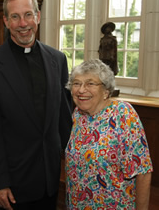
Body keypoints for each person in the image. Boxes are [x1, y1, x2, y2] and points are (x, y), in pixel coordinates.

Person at [0, 0, 72, 210]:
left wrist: (74, 164)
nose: (23, 23)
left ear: (37, 17)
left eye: (28, 15)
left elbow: (64, 118)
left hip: (50, 178)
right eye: (15, 17)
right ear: (6, 22)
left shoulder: (57, 59)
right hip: (14, 184)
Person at [65, 59, 153, 209]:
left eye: (90, 84)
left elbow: (143, 171)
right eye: (76, 83)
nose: (81, 90)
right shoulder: (78, 115)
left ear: (106, 91)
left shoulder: (123, 114)